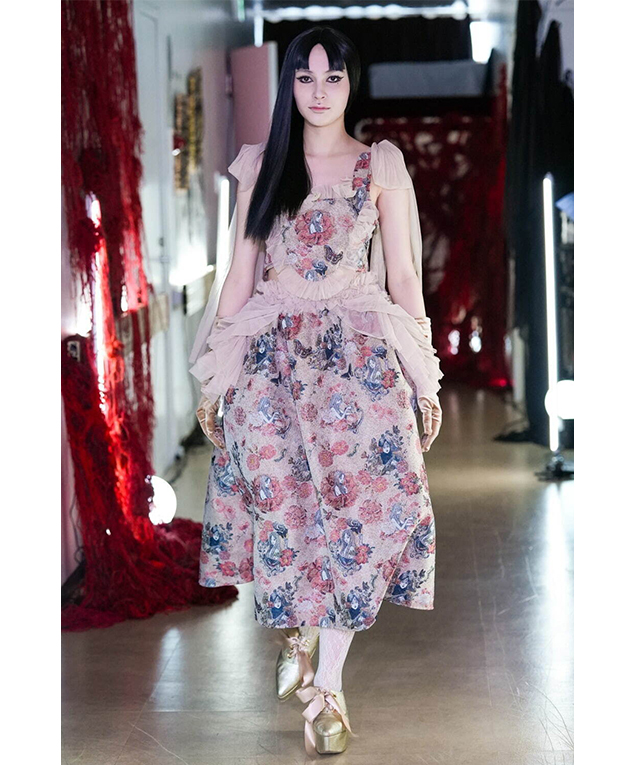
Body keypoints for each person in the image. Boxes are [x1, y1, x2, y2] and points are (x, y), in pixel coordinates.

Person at [189, 25, 443, 756]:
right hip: (272, 357)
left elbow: (403, 274)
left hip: (358, 356)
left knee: (371, 509)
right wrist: (218, 374)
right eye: (306, 77)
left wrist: (422, 375)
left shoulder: (380, 165)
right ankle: (298, 635)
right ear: (290, 85)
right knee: (285, 507)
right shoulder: (263, 164)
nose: (320, 91)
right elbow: (240, 276)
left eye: (334, 77)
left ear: (352, 84)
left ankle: (327, 685)